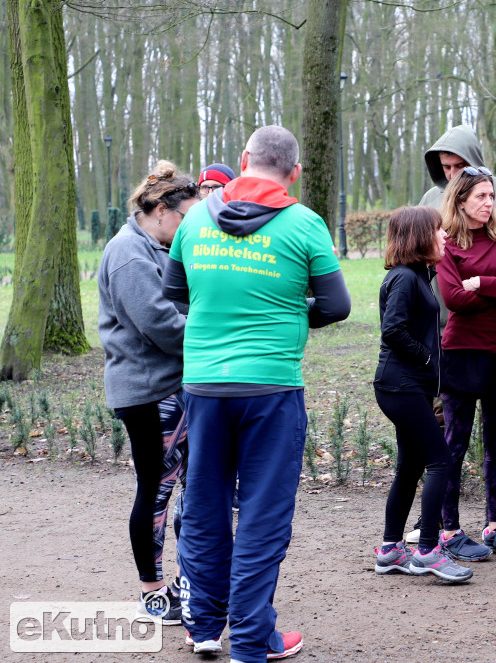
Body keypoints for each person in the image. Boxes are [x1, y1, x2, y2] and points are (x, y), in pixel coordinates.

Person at [163, 125, 351, 661]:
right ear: (293, 172)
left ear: (244, 160)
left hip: (202, 384)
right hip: (270, 386)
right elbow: (336, 306)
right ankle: (250, 641)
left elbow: (175, 294)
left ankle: (204, 625)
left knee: (203, 506)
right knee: (263, 515)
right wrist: (287, 311)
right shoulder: (305, 224)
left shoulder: (195, 219)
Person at [417, 125, 496, 525]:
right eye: (445, 167)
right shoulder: (432, 203)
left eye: (459, 165)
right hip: (449, 338)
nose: (451, 173)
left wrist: (489, 283)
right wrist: (495, 285)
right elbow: (439, 281)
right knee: (444, 430)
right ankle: (437, 516)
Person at [99, 161, 197, 626]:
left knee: (186, 488)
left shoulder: (154, 247)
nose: (188, 228)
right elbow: (160, 324)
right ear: (160, 210)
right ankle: (153, 594)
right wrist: (212, 339)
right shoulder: (129, 255)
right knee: (155, 491)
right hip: (146, 393)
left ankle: (183, 580)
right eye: (185, 218)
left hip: (172, 387)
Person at [435, 167, 496, 561]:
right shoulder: (445, 245)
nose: (489, 203)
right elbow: (453, 299)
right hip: (460, 353)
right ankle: (449, 529)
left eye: (491, 196)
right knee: (454, 444)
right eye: (480, 196)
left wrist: (482, 284)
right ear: (460, 200)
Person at [372, 206, 472, 583]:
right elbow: (393, 330)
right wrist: (429, 356)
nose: (444, 236)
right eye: (438, 231)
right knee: (440, 461)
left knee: (411, 467)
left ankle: (390, 549)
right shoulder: (404, 279)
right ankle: (428, 549)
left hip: (407, 385)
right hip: (401, 385)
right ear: (419, 236)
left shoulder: (417, 275)